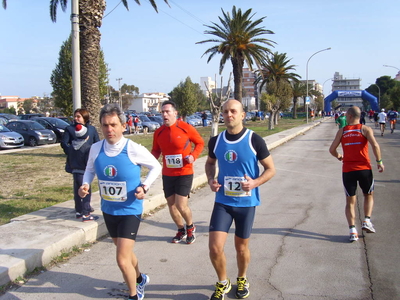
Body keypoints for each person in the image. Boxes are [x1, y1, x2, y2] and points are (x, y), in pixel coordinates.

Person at [78, 103, 161, 300]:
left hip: (130, 209)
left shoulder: (132, 148)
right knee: (125, 251)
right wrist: (85, 185)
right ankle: (140, 278)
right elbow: (89, 170)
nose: (109, 129)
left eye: (113, 125)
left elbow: (156, 167)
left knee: (122, 259)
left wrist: (145, 186)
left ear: (123, 126)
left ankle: (134, 294)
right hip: (109, 209)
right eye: (105, 125)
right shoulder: (96, 148)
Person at [205, 99, 276, 300]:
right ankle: (223, 282)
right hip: (223, 202)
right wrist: (211, 180)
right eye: (226, 111)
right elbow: (210, 164)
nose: (229, 115)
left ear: (242, 115)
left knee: (241, 248)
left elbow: (271, 169)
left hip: (246, 203)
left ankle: (242, 278)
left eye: (234, 111)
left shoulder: (255, 140)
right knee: (215, 247)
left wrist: (255, 183)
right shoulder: (216, 141)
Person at [151, 100, 204, 244]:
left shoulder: (186, 128)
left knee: (181, 205)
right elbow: (156, 150)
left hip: (184, 172)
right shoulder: (158, 132)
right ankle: (181, 229)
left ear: (175, 113)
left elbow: (200, 143)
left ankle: (190, 227)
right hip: (168, 174)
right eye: (162, 112)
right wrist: (149, 162)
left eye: (167, 111)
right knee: (171, 205)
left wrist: (193, 156)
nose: (164, 114)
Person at [329, 106, 384, 242]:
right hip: (364, 169)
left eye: (347, 115)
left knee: (350, 201)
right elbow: (375, 145)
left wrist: (339, 156)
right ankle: (366, 221)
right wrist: (379, 161)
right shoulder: (365, 129)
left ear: (350, 116)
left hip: (348, 171)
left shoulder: (342, 131)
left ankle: (352, 230)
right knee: (368, 195)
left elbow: (332, 149)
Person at [61, 108, 100, 221]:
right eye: (75, 116)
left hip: (88, 161)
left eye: (79, 116)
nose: (76, 118)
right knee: (80, 187)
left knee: (83, 186)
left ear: (85, 118)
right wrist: (71, 152)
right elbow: (64, 143)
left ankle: (83, 208)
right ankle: (83, 210)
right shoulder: (69, 129)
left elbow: (96, 142)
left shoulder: (91, 129)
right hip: (77, 164)